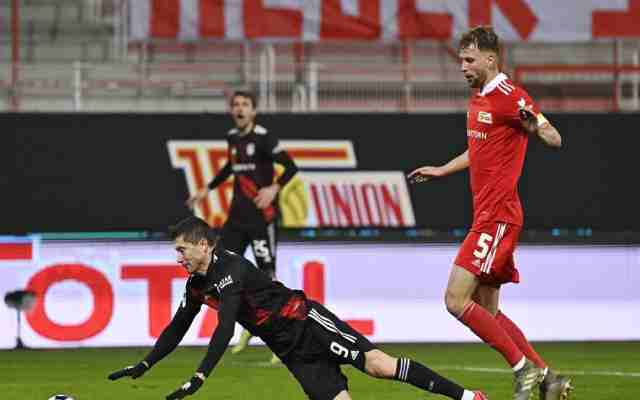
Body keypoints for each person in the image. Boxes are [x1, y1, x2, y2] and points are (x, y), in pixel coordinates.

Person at [108, 216, 488, 400]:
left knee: (378, 366)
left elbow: (225, 328)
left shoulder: (231, 269)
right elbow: (177, 327)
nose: (178, 257)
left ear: (203, 245)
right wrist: (145, 364)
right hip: (289, 349)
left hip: (307, 322)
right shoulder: (195, 285)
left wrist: (201, 376)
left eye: (182, 249)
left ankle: (470, 398)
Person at [408, 26, 571, 400]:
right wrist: (441, 169)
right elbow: (478, 152)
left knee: (455, 300)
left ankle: (523, 369)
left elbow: (554, 136)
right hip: (490, 216)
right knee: (488, 310)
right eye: (460, 60)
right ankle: (548, 380)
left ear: (490, 59)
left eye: (468, 60)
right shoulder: (480, 98)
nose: (462, 67)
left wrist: (537, 127)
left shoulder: (509, 96)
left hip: (497, 217)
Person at [186, 90, 298, 362]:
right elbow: (230, 167)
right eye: (235, 104)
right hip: (236, 218)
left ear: (253, 111)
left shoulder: (264, 137)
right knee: (219, 268)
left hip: (262, 218)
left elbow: (291, 167)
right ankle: (248, 324)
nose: (239, 109)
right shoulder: (233, 138)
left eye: (245, 105)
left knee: (268, 277)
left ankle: (280, 335)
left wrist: (274, 188)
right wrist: (207, 189)